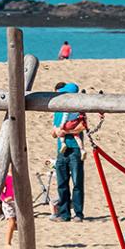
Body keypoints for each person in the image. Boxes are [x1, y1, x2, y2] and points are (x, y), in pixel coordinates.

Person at [50, 82, 86, 221]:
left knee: (77, 182)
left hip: (75, 148)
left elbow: (82, 126)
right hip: (61, 149)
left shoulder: (77, 108)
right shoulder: (57, 110)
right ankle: (64, 213)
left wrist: (66, 131)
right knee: (62, 183)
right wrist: (57, 132)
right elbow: (53, 131)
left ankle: (78, 213)